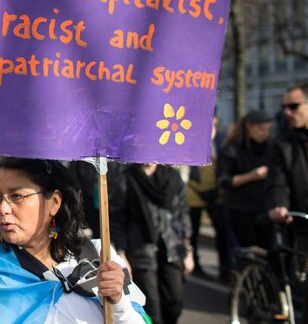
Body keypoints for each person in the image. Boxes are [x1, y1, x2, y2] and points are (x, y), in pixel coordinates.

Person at [0, 158, 148, 323]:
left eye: (17, 196)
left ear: (54, 202)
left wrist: (118, 303)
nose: (3, 209)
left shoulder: (100, 255)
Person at [111, 163, 193, 324]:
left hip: (172, 248)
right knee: (151, 309)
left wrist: (188, 248)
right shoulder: (126, 177)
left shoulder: (172, 177)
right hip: (141, 251)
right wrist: (121, 253)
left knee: (174, 304)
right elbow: (117, 218)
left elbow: (182, 213)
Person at [219, 110, 272, 249]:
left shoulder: (270, 147)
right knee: (249, 249)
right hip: (241, 209)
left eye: (267, 130)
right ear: (249, 126)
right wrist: (252, 176)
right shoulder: (232, 149)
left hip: (264, 207)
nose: (264, 133)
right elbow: (224, 180)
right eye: (261, 129)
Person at [187, 115, 230, 279]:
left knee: (222, 231)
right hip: (194, 193)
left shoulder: (221, 143)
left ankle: (225, 267)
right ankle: (195, 264)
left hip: (216, 192)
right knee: (193, 231)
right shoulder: (191, 141)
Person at [267, 83, 308, 223]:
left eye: (293, 106)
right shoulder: (283, 144)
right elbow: (278, 181)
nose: (287, 112)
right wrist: (280, 205)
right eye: (284, 107)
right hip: (300, 226)